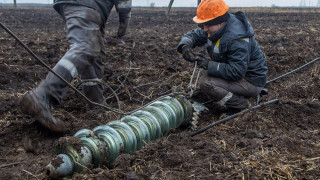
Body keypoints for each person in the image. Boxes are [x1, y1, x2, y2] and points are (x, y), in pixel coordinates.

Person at [19, 0, 132, 134]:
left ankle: (96, 104)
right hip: (87, 3)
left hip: (85, 5)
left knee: (94, 50)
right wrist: (125, 17)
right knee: (86, 48)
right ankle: (43, 95)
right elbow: (124, 3)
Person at [177, 0, 268, 115]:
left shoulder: (237, 39)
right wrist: (185, 46)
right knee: (207, 77)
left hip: (251, 80)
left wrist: (207, 64)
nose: (204, 29)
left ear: (220, 22)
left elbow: (237, 71)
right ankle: (235, 95)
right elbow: (195, 34)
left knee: (207, 83)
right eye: (202, 24)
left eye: (207, 24)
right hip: (240, 75)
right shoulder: (216, 27)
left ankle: (240, 105)